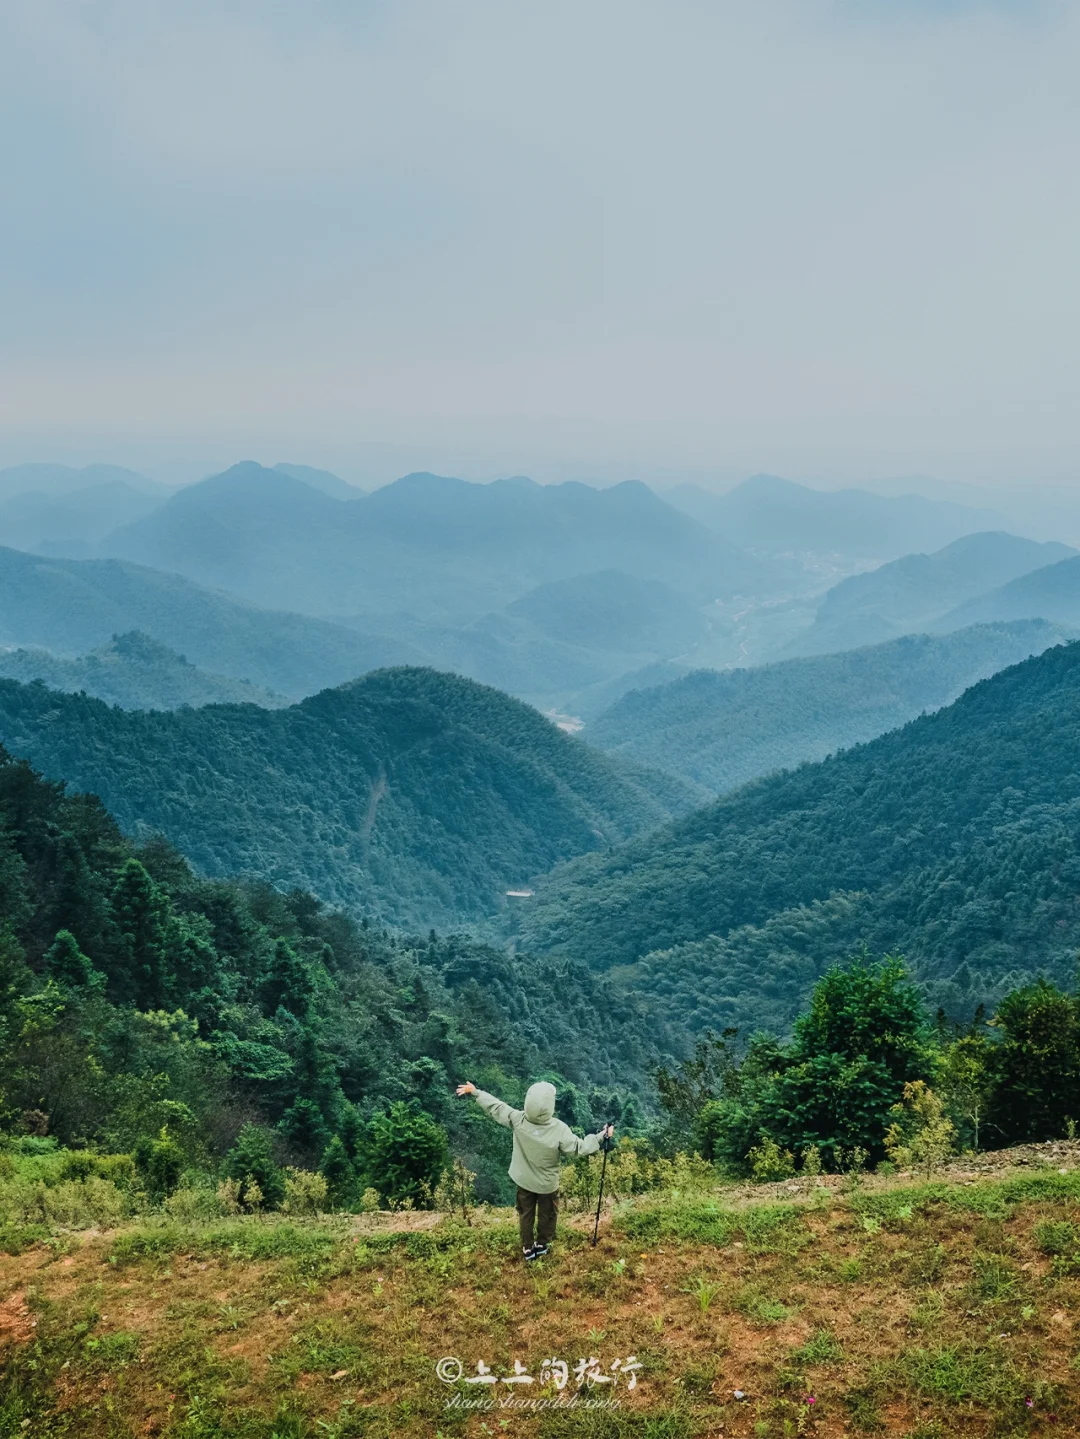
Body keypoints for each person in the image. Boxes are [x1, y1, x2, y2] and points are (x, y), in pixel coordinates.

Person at [456, 1079, 614, 1260]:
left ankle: (527, 1247)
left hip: (524, 1181)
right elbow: (580, 1148)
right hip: (547, 1185)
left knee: (526, 1214)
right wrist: (602, 1136)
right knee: (548, 1214)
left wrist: (476, 1092)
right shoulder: (559, 1129)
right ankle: (542, 1244)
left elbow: (497, 1107)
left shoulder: (518, 1119)